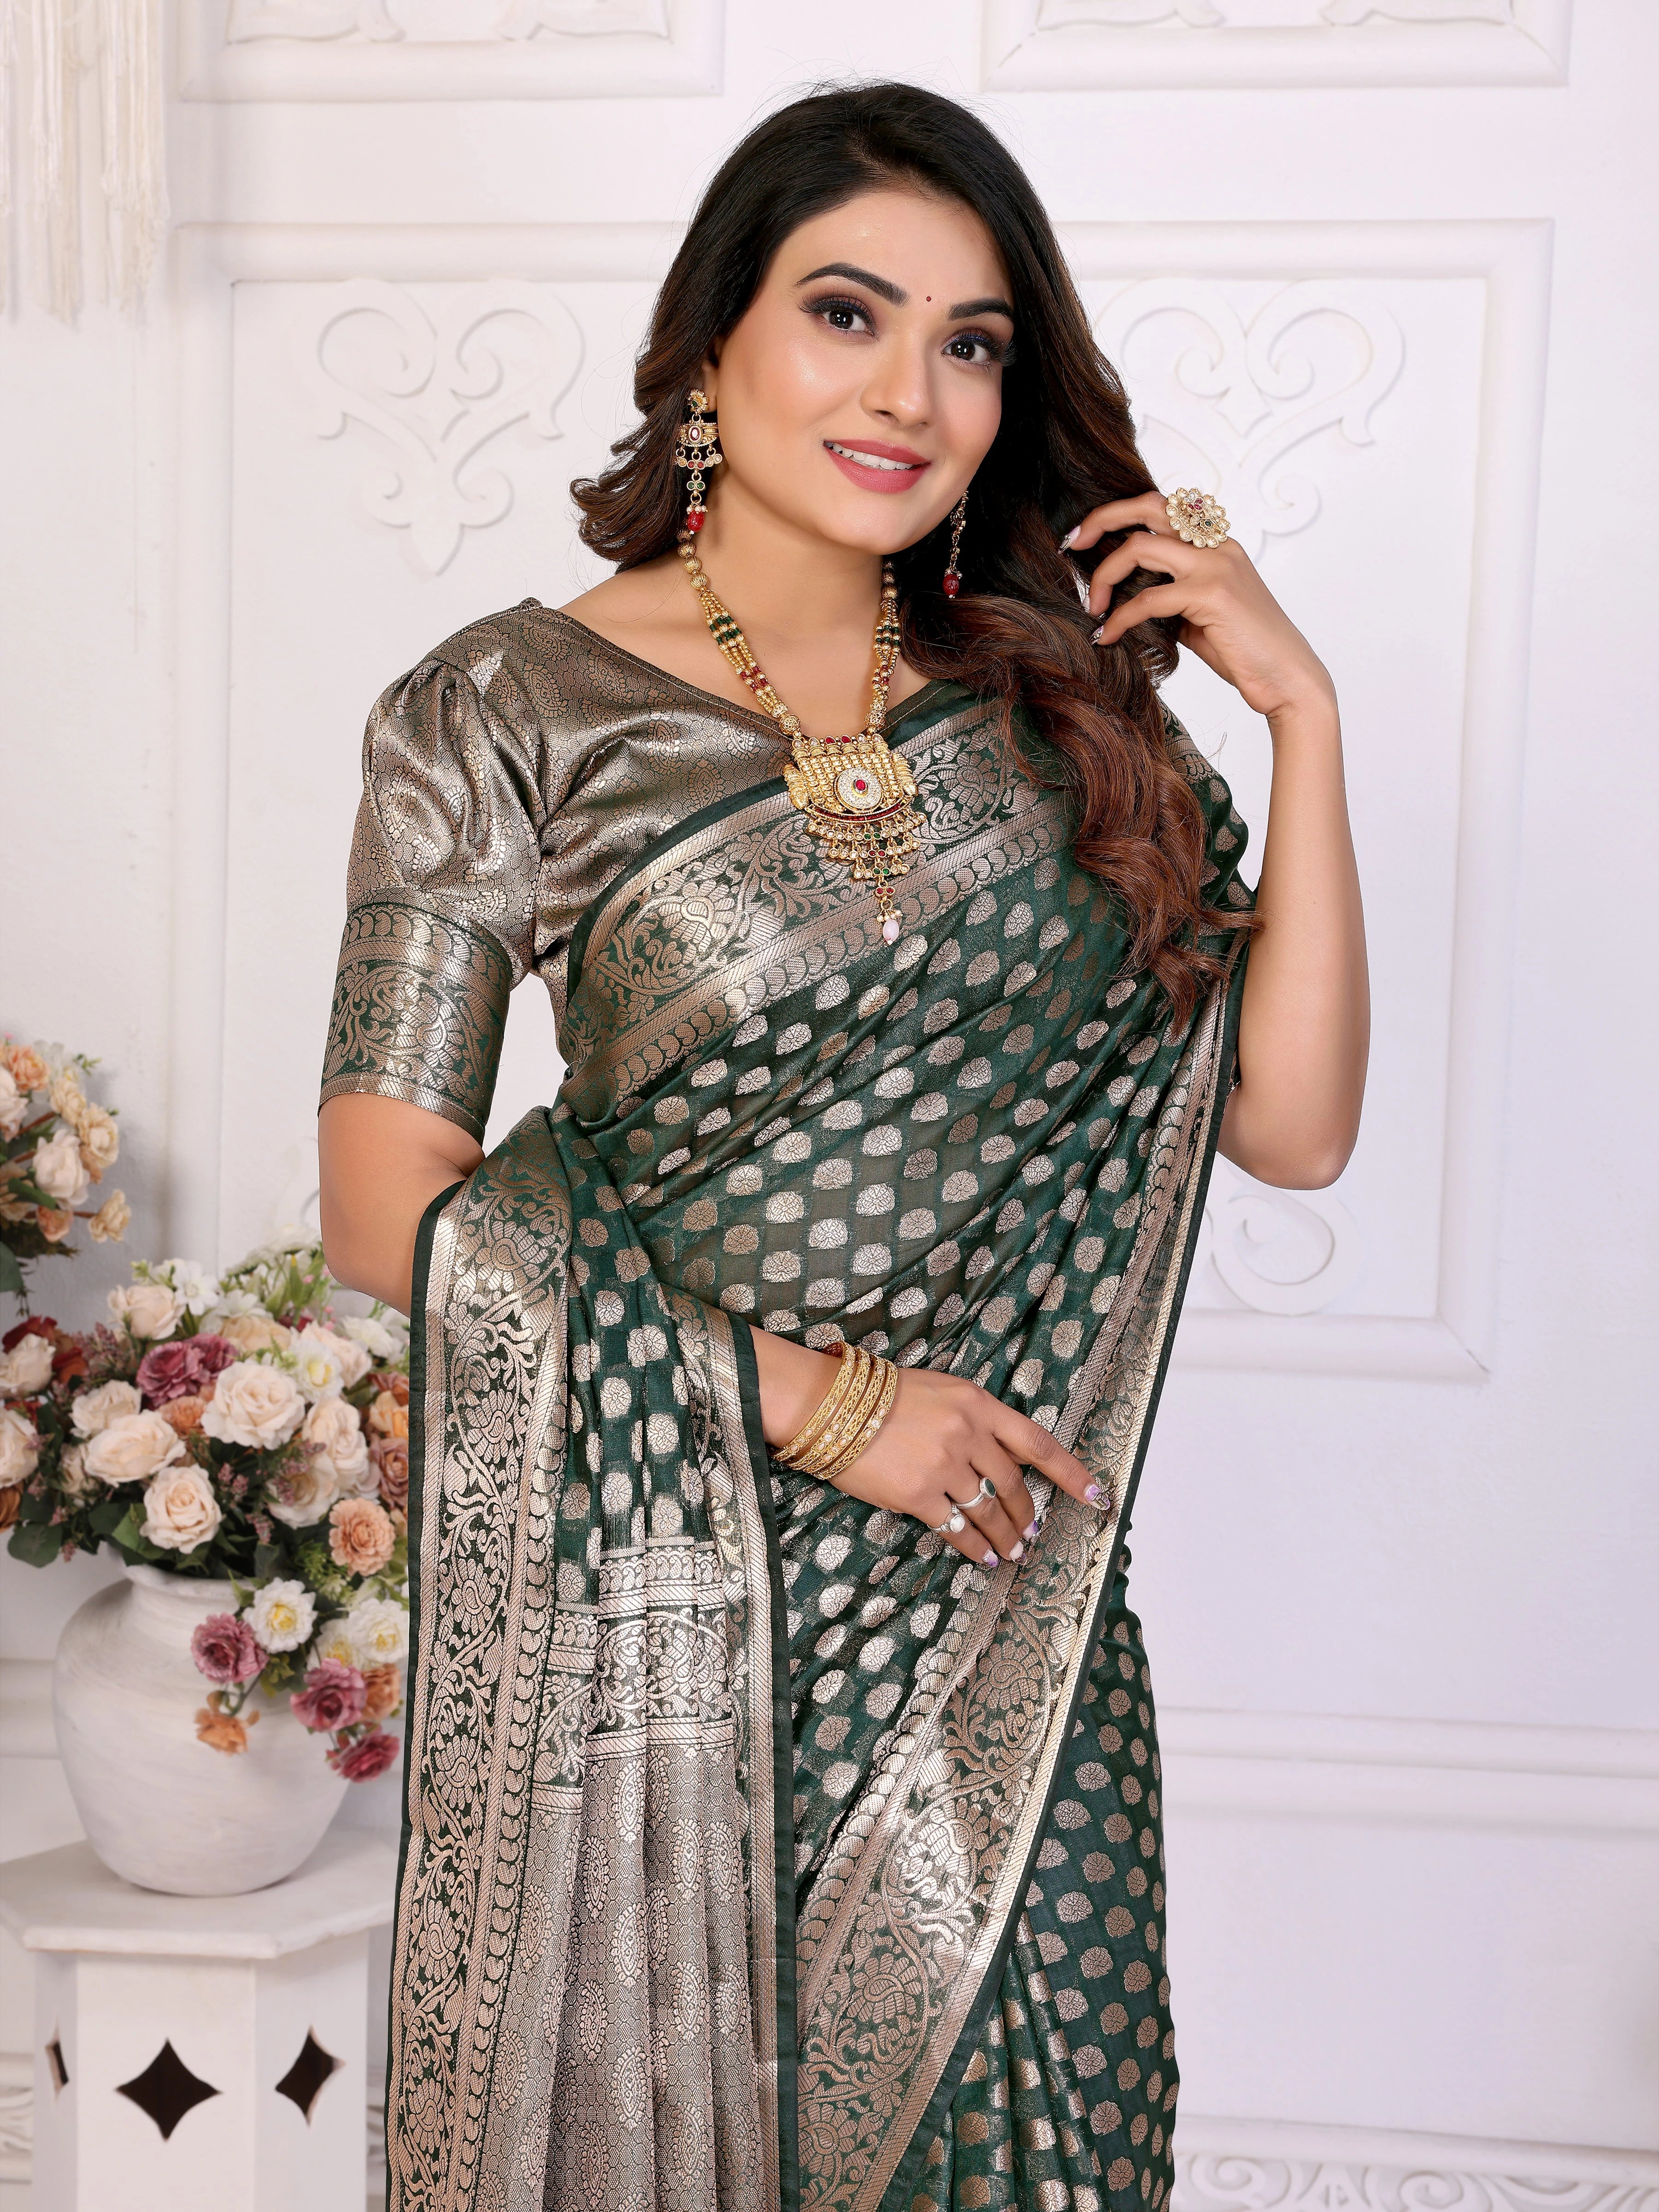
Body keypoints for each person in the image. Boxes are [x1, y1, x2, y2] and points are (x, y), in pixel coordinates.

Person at [317, 80, 1366, 2212]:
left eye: (972, 343)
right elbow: (379, 1204)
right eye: (848, 316)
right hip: (660, 1603)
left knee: (1053, 2153)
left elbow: (1295, 1124)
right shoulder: (496, 712)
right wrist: (831, 1406)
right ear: (713, 347)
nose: (913, 393)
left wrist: (1305, 720)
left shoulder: (1066, 710)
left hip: (1011, 1608)